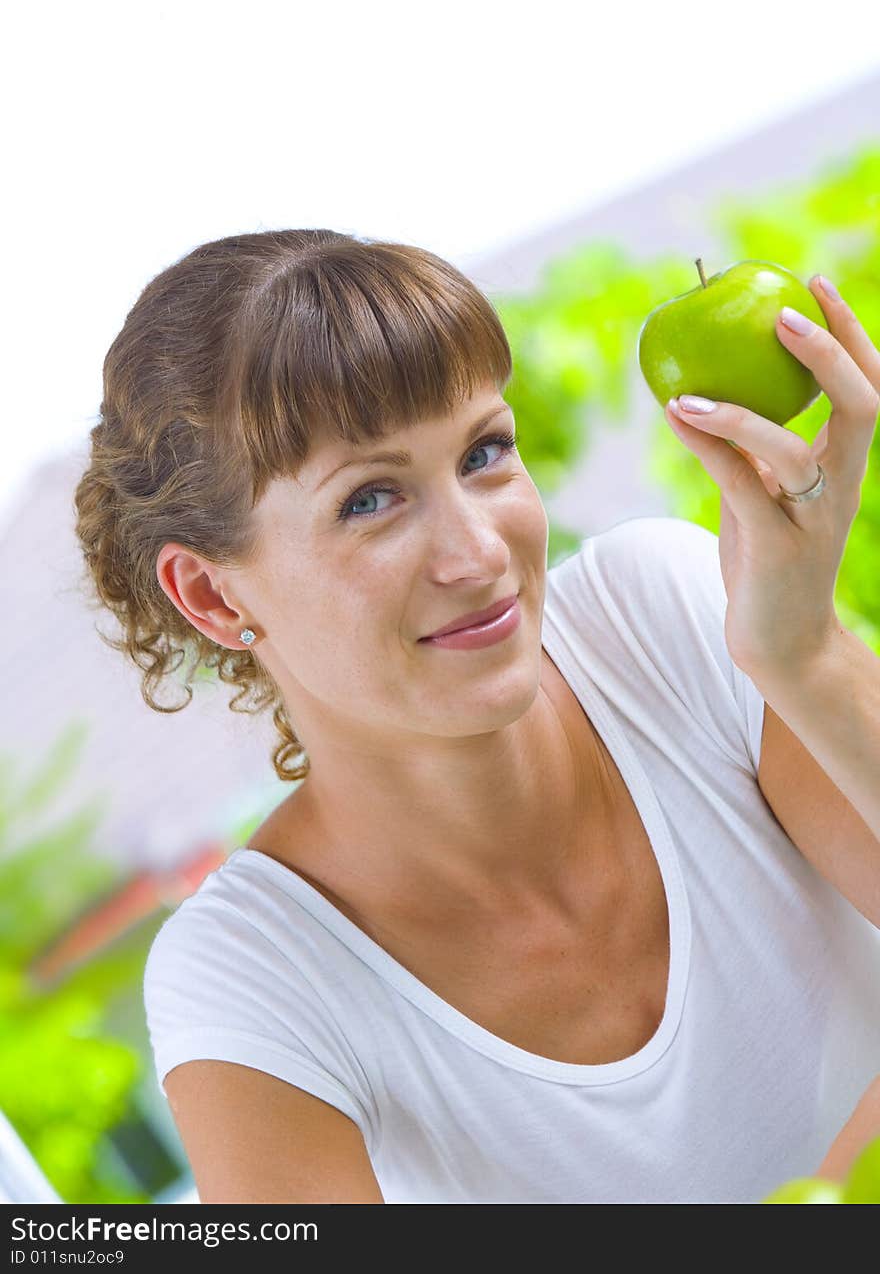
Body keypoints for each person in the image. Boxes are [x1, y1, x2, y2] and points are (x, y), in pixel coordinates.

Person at [73, 229, 880, 1204]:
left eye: (483, 453)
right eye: (369, 499)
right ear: (210, 596)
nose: (478, 553)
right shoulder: (255, 972)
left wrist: (803, 655)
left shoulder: (657, 614)